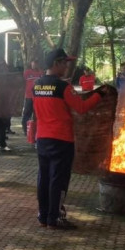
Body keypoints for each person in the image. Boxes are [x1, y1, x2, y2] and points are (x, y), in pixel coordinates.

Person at [33, 49, 106, 230]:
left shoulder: (37, 85)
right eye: (65, 62)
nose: (67, 66)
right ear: (56, 63)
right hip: (61, 140)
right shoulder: (62, 87)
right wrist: (100, 94)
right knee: (58, 179)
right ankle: (55, 218)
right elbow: (81, 107)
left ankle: (43, 216)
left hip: (42, 139)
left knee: (44, 178)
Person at [21, 60, 43, 136]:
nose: (34, 65)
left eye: (36, 63)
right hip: (29, 96)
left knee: (37, 114)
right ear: (31, 64)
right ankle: (25, 130)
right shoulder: (27, 72)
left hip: (38, 97)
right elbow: (22, 82)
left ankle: (36, 130)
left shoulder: (41, 73)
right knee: (27, 114)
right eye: (33, 63)